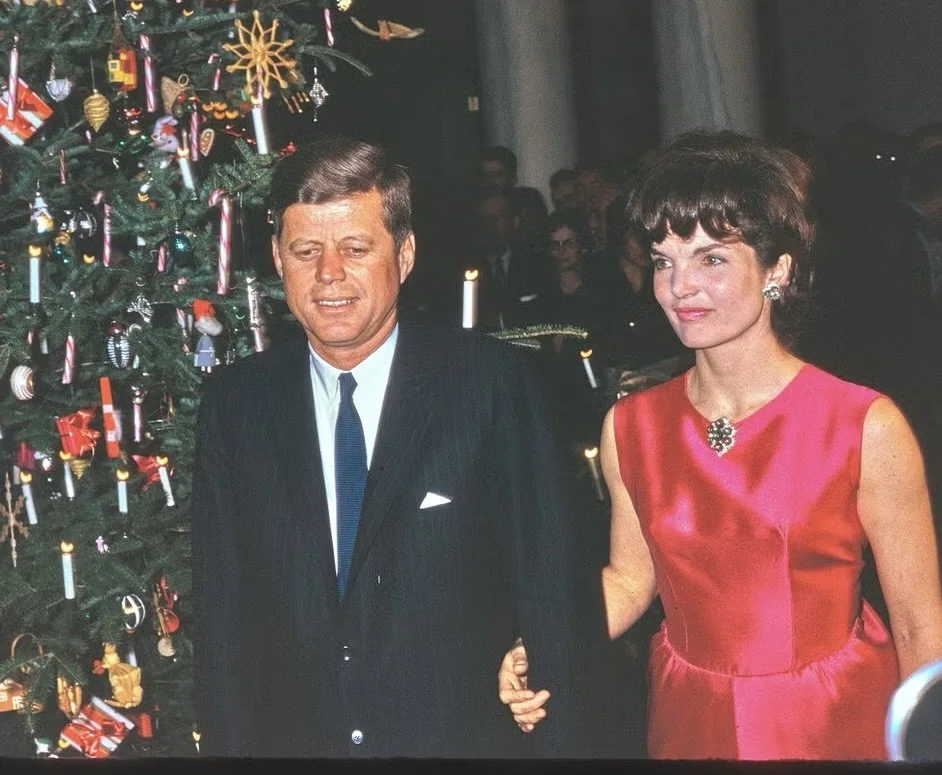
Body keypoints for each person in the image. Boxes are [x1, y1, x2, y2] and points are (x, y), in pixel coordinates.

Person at [497, 130, 942, 759]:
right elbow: (629, 580)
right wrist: (541, 642)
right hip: (689, 715)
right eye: (664, 260)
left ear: (777, 269)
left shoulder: (862, 424)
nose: (680, 286)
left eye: (711, 259)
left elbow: (921, 625)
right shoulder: (632, 425)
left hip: (828, 720)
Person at [191, 136, 602, 757]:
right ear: (277, 259)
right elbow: (223, 626)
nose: (329, 273)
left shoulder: (489, 386)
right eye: (306, 251)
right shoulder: (236, 407)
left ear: (404, 255)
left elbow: (552, 595)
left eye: (355, 249)